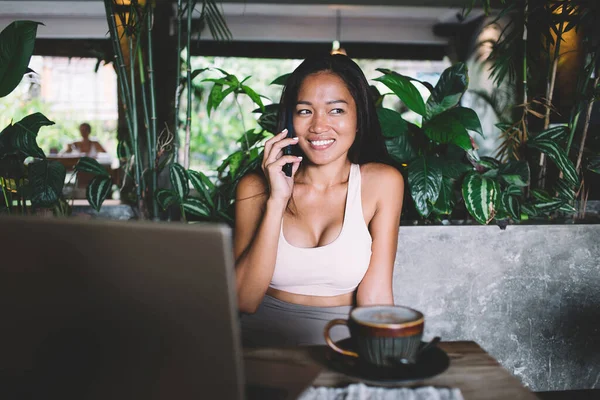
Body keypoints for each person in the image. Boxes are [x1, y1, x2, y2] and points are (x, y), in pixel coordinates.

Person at [234, 54, 405, 347]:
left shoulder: (382, 183)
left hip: (342, 344)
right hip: (258, 346)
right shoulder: (255, 188)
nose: (318, 126)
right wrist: (277, 200)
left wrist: (384, 363)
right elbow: (242, 300)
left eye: (336, 110)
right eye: (304, 111)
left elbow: (375, 298)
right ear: (290, 119)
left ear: (358, 117)